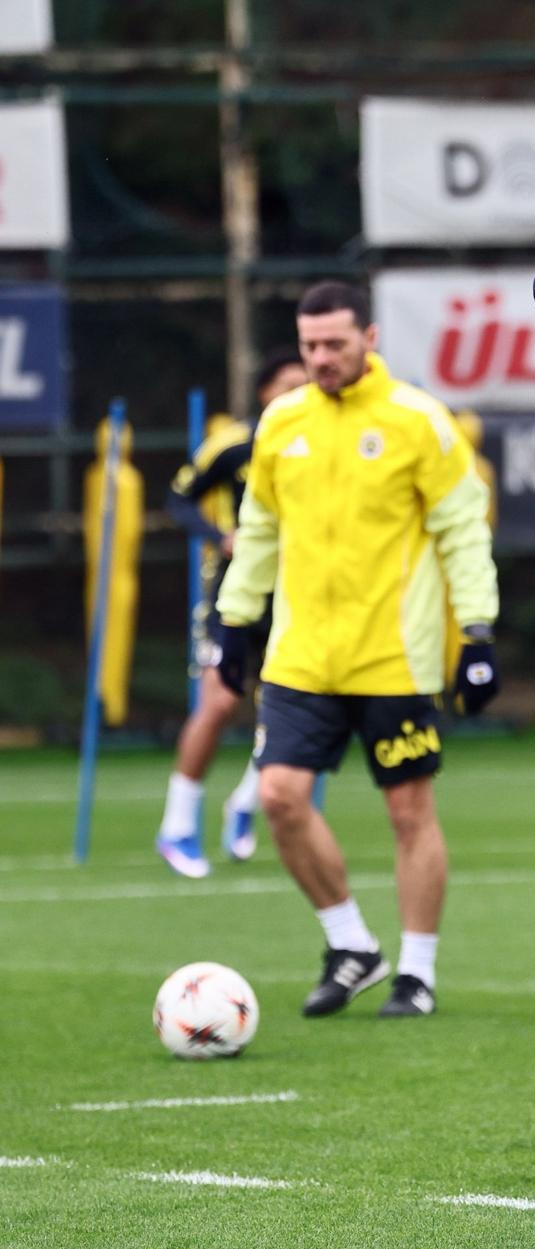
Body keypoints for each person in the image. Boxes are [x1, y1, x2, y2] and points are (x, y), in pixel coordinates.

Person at [215, 281, 500, 1019]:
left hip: (393, 657)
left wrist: (477, 631)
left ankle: (417, 972)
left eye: (335, 344)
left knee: (408, 812)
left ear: (369, 338)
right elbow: (260, 529)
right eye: (309, 345)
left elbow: (462, 531)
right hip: (300, 655)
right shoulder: (281, 422)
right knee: (279, 796)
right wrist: (234, 620)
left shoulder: (418, 420)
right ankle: (351, 944)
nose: (321, 358)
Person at [156, 348, 308, 878]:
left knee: (289, 716)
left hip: (301, 595)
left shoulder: (326, 442)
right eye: (288, 384)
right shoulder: (234, 443)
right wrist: (219, 535)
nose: (298, 393)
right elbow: (179, 497)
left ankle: (245, 802)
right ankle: (177, 825)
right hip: (236, 592)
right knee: (219, 702)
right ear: (265, 392)